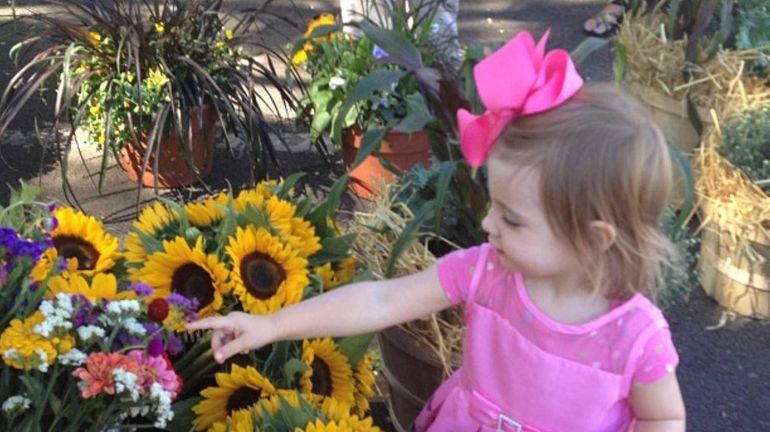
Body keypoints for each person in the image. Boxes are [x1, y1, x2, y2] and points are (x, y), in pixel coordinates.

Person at [187, 30, 687, 431]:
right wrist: (272, 325)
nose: (488, 224)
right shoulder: (487, 273)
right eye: (494, 206)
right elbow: (381, 302)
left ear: (595, 237)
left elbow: (662, 415)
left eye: (512, 219)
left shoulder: (634, 338)